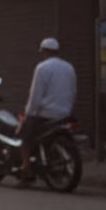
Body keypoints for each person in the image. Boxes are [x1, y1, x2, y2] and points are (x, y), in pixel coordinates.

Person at [19, 37, 77, 180]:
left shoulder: (42, 68)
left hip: (45, 114)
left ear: (44, 52)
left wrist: (28, 114)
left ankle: (26, 168)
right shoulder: (69, 67)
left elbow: (35, 95)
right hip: (64, 114)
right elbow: (73, 91)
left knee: (24, 137)